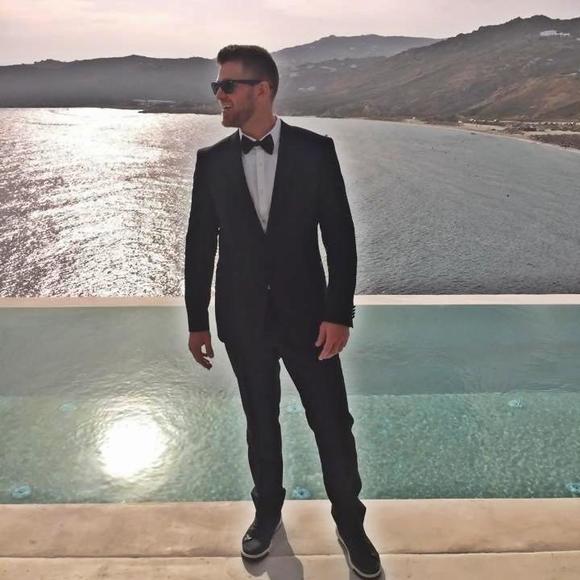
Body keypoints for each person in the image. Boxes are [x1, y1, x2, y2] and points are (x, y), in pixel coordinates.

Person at [184, 44, 382, 579]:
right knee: (260, 421)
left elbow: (340, 238)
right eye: (217, 86)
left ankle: (351, 523)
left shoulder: (316, 151)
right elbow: (199, 246)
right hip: (242, 321)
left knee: (333, 424)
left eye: (227, 86)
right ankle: (267, 514)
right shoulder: (211, 161)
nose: (219, 95)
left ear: (262, 89)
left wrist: (339, 314)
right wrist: (197, 321)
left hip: (310, 321)